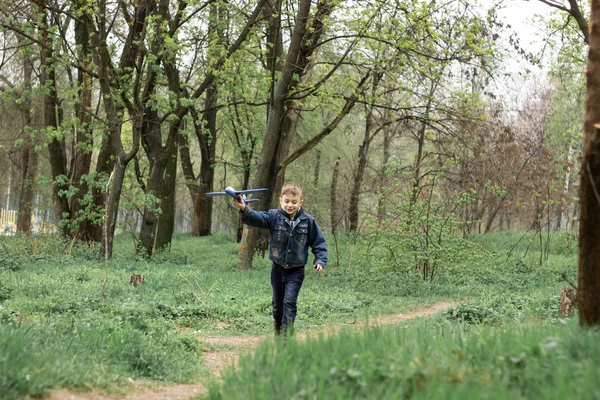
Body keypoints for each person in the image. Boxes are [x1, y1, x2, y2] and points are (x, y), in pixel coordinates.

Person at [232, 182, 327, 337]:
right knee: (278, 306)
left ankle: (286, 336)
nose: (290, 205)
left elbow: (319, 243)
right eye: (287, 201)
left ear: (300, 202)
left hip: (296, 271)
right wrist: (243, 208)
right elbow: (255, 218)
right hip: (277, 268)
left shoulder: (308, 221)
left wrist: (320, 260)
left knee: (289, 302)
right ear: (280, 200)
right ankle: (278, 327)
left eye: (294, 202)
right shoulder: (273, 216)